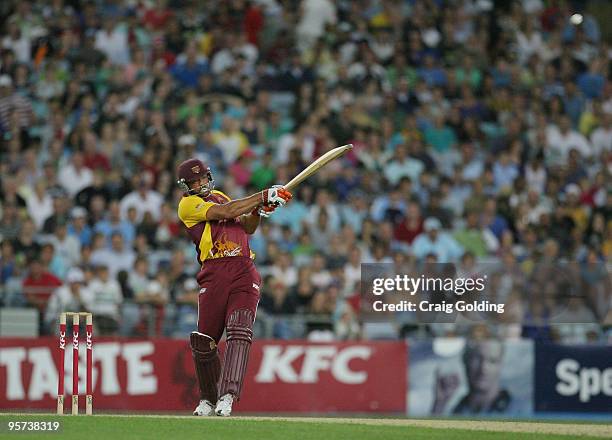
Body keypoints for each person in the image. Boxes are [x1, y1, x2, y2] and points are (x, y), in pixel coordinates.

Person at [176, 158, 292, 417]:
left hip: (243, 269)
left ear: (209, 176)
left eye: (203, 178)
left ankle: (228, 396)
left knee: (240, 330)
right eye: (194, 182)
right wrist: (263, 195)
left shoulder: (220, 195)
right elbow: (226, 213)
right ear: (186, 186)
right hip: (213, 271)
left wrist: (258, 211)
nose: (200, 184)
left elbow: (247, 226)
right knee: (204, 341)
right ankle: (208, 398)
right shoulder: (187, 205)